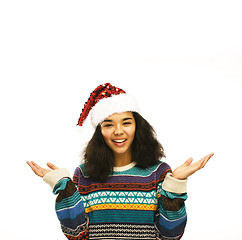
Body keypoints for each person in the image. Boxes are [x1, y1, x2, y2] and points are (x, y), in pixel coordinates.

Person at [27, 83, 214, 240]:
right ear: (99, 131)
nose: (118, 131)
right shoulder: (84, 174)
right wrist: (64, 187)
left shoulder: (158, 173)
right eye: (108, 124)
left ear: (137, 126)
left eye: (126, 122)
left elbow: (170, 236)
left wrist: (175, 185)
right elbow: (76, 234)